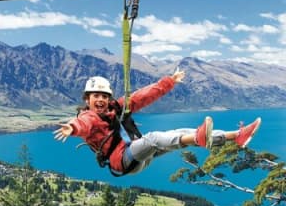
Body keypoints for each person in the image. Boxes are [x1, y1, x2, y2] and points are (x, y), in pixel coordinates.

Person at [53, 71, 261, 176]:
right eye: (95, 96)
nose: (100, 100)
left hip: (136, 154)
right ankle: (199, 137)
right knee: (153, 138)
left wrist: (169, 82)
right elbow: (83, 124)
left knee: (178, 133)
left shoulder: (116, 108)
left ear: (109, 98)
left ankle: (237, 136)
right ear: (87, 99)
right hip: (123, 161)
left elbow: (142, 96)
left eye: (104, 96)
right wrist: (72, 128)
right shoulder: (90, 117)